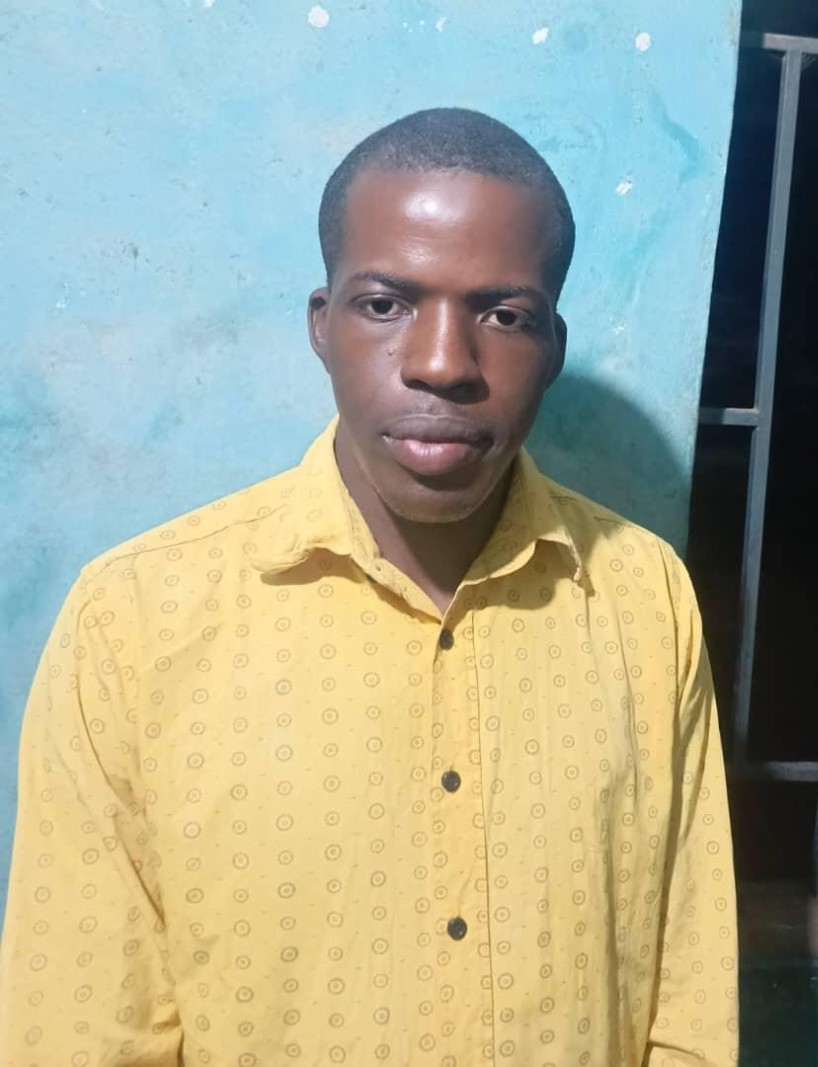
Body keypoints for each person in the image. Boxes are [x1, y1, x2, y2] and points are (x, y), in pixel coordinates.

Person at [0, 108, 737, 1066]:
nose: (441, 363)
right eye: (386, 304)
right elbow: (84, 1030)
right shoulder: (134, 620)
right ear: (322, 323)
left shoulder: (643, 597)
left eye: (503, 315)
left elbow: (687, 991)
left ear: (553, 346)